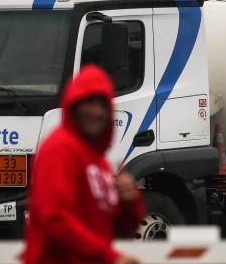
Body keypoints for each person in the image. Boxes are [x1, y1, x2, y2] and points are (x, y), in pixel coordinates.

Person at [24, 65, 144, 264]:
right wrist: (108, 257)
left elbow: (121, 229)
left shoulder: (100, 163)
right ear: (73, 105)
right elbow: (55, 217)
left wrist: (130, 201)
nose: (96, 111)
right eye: (88, 102)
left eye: (102, 104)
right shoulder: (60, 148)